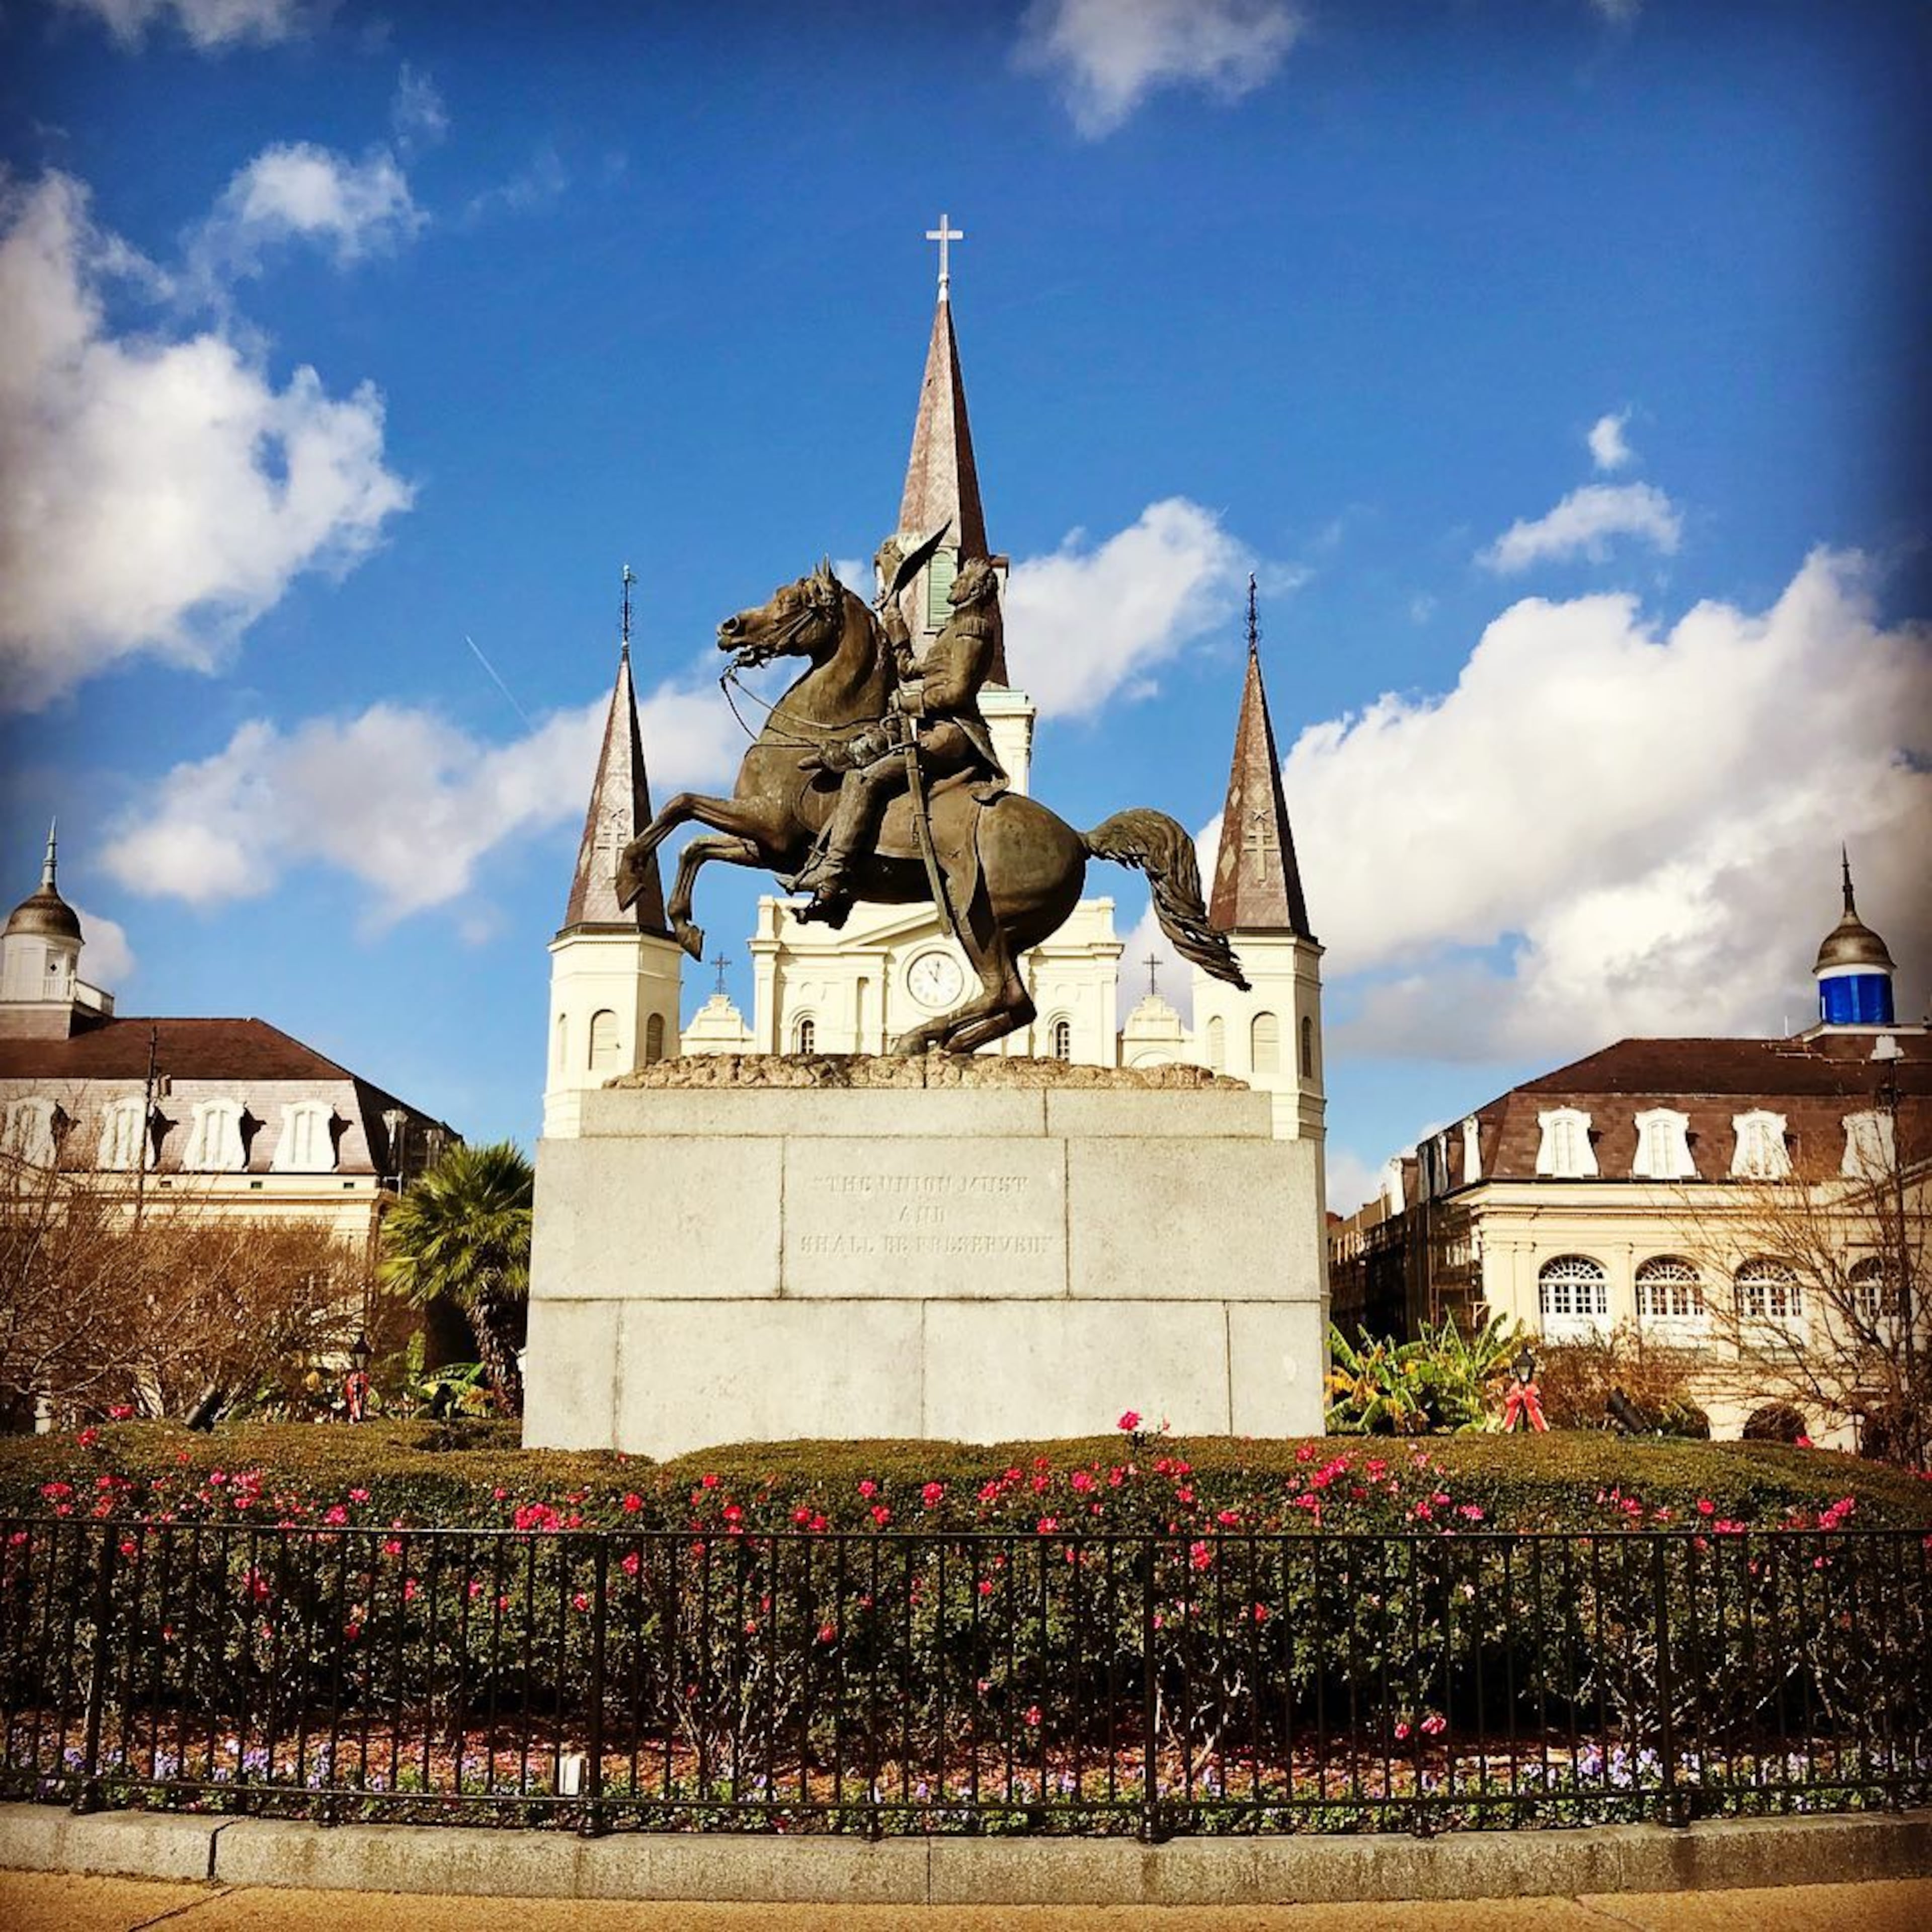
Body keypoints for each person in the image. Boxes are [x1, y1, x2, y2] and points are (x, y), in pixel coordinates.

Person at [792, 547, 1005, 928]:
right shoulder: (951, 631)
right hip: (930, 726)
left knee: (866, 777)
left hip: (952, 732)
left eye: (960, 579)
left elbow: (956, 693)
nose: (952, 583)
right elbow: (908, 666)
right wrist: (891, 611)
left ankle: (835, 874)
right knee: (859, 757)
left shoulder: (974, 629)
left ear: (974, 590)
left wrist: (911, 702)